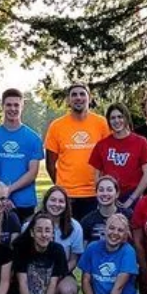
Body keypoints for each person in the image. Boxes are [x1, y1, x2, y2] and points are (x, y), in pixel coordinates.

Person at [44, 83, 108, 219]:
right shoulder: (57, 126)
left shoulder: (101, 123)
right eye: (74, 95)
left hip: (95, 193)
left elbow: (108, 157)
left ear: (89, 98)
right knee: (67, 234)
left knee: (91, 235)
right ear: (68, 100)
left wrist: (103, 186)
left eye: (82, 94)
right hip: (67, 195)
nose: (78, 98)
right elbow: (50, 164)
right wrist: (61, 186)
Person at [73, 214, 141, 294]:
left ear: (125, 236)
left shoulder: (128, 251)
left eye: (120, 230)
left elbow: (118, 287)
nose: (115, 233)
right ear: (105, 229)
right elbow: (86, 280)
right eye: (112, 228)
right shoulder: (92, 247)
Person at [0, 88, 44, 221]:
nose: (12, 109)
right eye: (8, 105)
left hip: (24, 202)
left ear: (22, 107)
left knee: (23, 240)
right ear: (2, 106)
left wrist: (8, 190)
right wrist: (1, 195)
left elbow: (32, 173)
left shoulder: (33, 138)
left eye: (16, 105)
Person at [8, 214, 70, 294]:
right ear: (32, 233)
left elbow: (53, 284)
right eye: (39, 230)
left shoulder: (57, 250)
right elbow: (23, 283)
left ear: (52, 234)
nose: (44, 235)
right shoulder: (21, 248)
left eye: (47, 230)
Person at [89, 103, 147, 207]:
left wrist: (132, 198)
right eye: (113, 118)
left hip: (132, 194)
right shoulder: (102, 145)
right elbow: (96, 176)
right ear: (109, 121)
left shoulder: (141, 142)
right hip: (109, 195)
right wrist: (102, 195)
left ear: (126, 118)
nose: (116, 121)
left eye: (120, 117)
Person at [36, 186, 83, 294]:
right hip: (35, 273)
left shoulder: (75, 227)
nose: (56, 204)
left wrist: (56, 275)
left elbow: (74, 259)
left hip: (62, 272)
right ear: (46, 202)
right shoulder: (30, 225)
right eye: (53, 200)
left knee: (68, 292)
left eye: (61, 201)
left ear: (66, 205)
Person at [79, 175, 125, 243]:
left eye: (109, 190)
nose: (105, 193)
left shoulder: (128, 217)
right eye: (101, 190)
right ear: (96, 193)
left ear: (117, 194)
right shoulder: (87, 221)